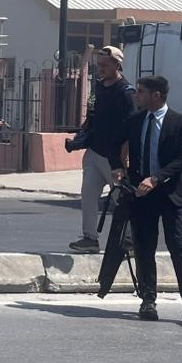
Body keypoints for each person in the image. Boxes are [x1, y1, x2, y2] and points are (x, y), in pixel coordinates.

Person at [110, 74, 182, 328]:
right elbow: (113, 144)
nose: (136, 96)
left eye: (141, 92)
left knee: (178, 247)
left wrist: (156, 178)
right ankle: (148, 300)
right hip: (142, 195)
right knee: (144, 247)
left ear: (156, 95)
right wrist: (117, 166)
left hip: (171, 195)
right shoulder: (135, 120)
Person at [68, 46, 138, 252]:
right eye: (99, 65)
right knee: (88, 196)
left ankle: (132, 239)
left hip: (114, 158)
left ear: (117, 65)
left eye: (105, 65)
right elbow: (92, 114)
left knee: (121, 199)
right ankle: (90, 238)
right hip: (94, 152)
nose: (101, 69)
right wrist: (83, 134)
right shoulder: (99, 86)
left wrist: (124, 157)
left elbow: (131, 126)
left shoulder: (126, 92)